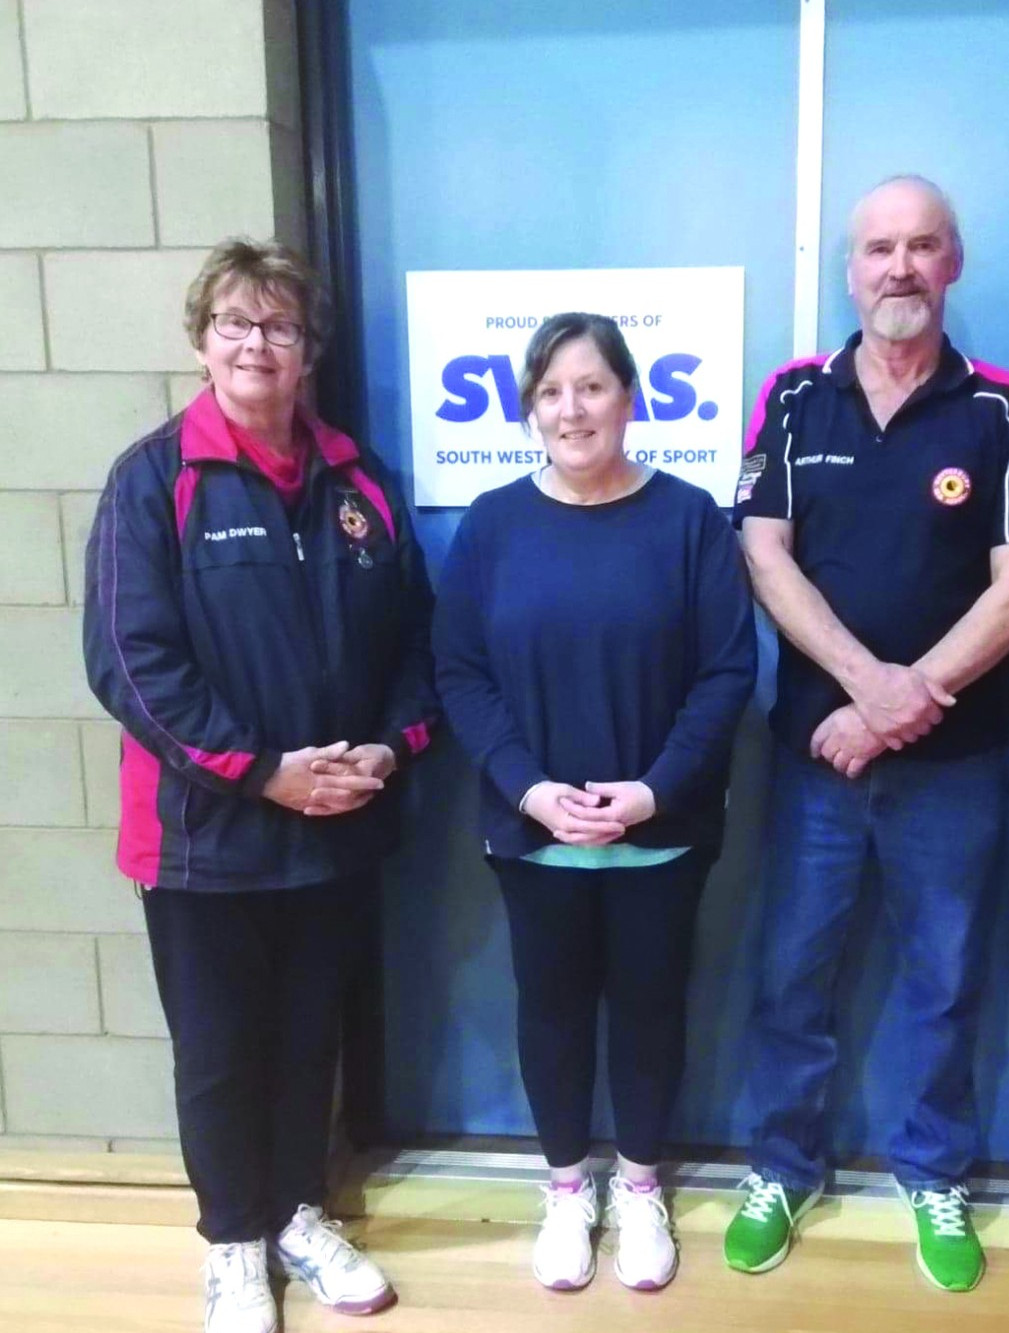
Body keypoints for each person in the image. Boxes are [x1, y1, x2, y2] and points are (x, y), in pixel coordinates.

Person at [83, 238, 437, 1333]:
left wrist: (388, 748)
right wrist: (260, 772)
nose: (256, 345)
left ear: (307, 351)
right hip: (203, 837)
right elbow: (129, 660)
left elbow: (415, 644)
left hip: (335, 826)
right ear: (201, 343)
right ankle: (231, 1244)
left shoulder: (361, 480)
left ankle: (294, 1213)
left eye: (279, 327)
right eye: (235, 324)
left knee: (307, 1040)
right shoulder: (153, 480)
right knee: (221, 1050)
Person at [726, 175, 1009, 1292]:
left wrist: (907, 698)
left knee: (945, 975)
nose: (899, 267)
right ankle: (782, 1165)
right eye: (878, 248)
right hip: (814, 758)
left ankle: (933, 1174)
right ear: (849, 268)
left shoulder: (1003, 410)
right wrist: (868, 688)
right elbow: (763, 554)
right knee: (791, 973)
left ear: (952, 262)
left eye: (921, 246)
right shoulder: (790, 399)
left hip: (957, 766)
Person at [433, 312, 756, 1293]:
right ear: (530, 408)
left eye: (590, 386)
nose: (571, 408)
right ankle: (569, 1187)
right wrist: (528, 790)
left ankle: (643, 1184)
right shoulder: (491, 525)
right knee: (554, 1010)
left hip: (661, 836)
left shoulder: (689, 519)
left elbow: (725, 669)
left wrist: (654, 790)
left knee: (652, 1008)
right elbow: (459, 671)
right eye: (550, 392)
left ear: (629, 396)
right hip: (535, 839)